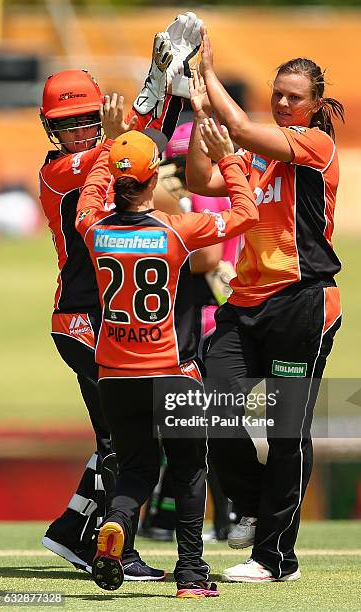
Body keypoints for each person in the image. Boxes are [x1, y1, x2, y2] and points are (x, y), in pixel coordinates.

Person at [38, 13, 202, 580]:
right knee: (128, 441)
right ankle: (114, 548)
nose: (83, 131)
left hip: (99, 323)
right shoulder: (64, 171)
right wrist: (160, 88)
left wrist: (171, 89)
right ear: (50, 131)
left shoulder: (101, 160)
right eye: (70, 124)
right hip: (82, 323)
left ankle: (73, 531)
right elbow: (132, 148)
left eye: (87, 120)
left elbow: (140, 155)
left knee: (122, 439)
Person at [75, 109, 259, 596]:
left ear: (117, 181)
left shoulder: (93, 229)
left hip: (114, 376)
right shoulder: (176, 229)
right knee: (189, 470)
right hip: (172, 373)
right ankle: (192, 576)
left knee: (136, 467)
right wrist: (231, 163)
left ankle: (115, 522)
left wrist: (110, 145)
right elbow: (247, 214)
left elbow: (90, 195)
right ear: (155, 176)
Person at [186, 31, 344, 583]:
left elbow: (245, 129)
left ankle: (276, 559)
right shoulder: (261, 150)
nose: (282, 103)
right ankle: (254, 509)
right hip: (246, 303)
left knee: (285, 431)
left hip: (303, 302)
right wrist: (202, 118)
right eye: (277, 93)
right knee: (212, 405)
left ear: (316, 106)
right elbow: (201, 178)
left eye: (294, 97)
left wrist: (206, 73)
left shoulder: (315, 145)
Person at [139, 122, 240, 543]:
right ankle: (201, 518)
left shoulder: (190, 196)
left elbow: (205, 259)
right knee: (203, 425)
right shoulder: (230, 188)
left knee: (196, 426)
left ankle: (201, 518)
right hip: (217, 314)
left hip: (198, 320)